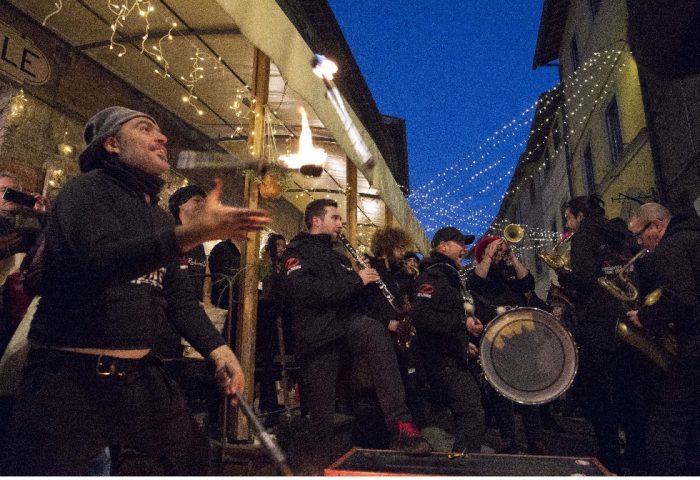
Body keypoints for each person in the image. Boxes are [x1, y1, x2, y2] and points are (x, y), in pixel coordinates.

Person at [0, 106, 270, 475]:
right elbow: (102, 261)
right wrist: (189, 235)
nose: (162, 139)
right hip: (69, 381)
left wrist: (218, 348)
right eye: (146, 129)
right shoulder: (83, 192)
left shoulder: (157, 217)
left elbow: (177, 299)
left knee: (191, 457)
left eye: (160, 131)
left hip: (140, 377)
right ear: (111, 144)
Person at [281, 199, 430, 471]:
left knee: (372, 330)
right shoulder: (296, 253)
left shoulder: (339, 257)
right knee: (322, 420)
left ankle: (400, 424)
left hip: (344, 331)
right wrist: (356, 280)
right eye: (335, 218)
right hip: (318, 339)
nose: (341, 224)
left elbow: (355, 301)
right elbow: (306, 293)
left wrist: (369, 283)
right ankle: (315, 469)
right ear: (317, 221)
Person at [558, 194, 643, 472]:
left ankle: (609, 451)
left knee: (594, 391)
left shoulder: (583, 237)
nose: (568, 225)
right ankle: (637, 449)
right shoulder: (620, 231)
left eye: (569, 219)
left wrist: (563, 276)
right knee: (628, 389)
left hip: (598, 321)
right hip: (629, 317)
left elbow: (584, 277)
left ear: (579, 215)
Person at [626, 202, 700, 475]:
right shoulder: (694, 237)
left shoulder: (671, 247)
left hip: (694, 347)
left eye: (639, 234)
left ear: (657, 225)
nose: (638, 242)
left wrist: (645, 316)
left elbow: (679, 296)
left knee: (665, 427)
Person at [468, 235, 547, 455]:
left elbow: (528, 283)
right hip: (496, 337)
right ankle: (507, 438)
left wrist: (511, 254)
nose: (501, 252)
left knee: (528, 388)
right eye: (498, 249)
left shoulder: (510, 271)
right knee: (500, 391)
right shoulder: (480, 272)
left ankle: (535, 437)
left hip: (522, 335)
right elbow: (475, 283)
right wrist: (489, 252)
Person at [411, 226, 486, 454]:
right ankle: (462, 468)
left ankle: (459, 463)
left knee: (468, 414)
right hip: (441, 361)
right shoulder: (433, 276)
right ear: (442, 246)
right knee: (472, 413)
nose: (464, 248)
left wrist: (464, 341)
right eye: (459, 243)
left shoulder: (448, 277)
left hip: (451, 357)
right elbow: (422, 316)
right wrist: (462, 324)